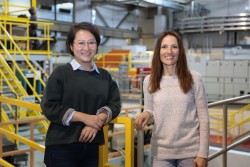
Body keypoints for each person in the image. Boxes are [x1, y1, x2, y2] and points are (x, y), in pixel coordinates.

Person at [41, 22, 121, 167]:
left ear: (97, 46)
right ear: (71, 46)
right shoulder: (60, 74)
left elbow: (114, 104)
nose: (86, 48)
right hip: (62, 147)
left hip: (91, 146)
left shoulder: (104, 76)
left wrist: (97, 121)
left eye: (91, 43)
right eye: (81, 43)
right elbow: (49, 107)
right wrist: (85, 118)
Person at [135, 30, 210, 167]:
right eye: (164, 47)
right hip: (161, 152)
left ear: (180, 51)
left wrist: (203, 153)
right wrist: (146, 113)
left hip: (190, 152)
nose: (169, 51)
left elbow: (204, 118)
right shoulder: (149, 81)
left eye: (174, 47)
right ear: (158, 51)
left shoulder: (195, 79)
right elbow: (150, 108)